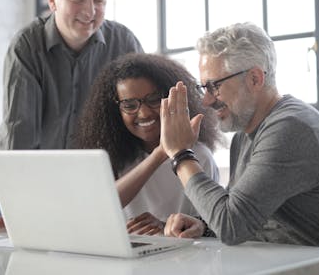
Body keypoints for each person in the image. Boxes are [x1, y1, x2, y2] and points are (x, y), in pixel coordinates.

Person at [158, 22, 319, 275]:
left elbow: (232, 226)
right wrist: (203, 227)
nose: (206, 100)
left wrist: (182, 155)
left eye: (214, 86)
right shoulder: (246, 133)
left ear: (255, 79)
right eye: (203, 87)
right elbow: (244, 216)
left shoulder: (292, 127)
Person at [0, 0, 143, 232]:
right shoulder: (27, 46)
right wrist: (16, 210)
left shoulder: (123, 44)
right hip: (28, 177)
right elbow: (20, 134)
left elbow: (142, 120)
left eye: (99, 1)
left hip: (96, 183)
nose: (89, 12)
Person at [73, 53, 220, 234]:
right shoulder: (113, 156)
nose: (143, 113)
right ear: (115, 110)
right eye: (129, 105)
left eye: (153, 100)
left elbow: (207, 225)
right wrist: (160, 153)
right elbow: (99, 207)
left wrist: (164, 226)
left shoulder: (198, 156)